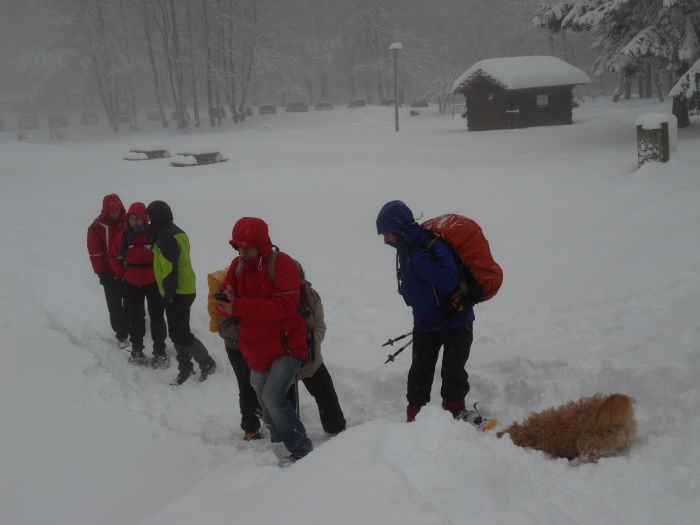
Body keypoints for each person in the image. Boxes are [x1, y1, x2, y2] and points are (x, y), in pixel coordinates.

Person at [216, 217, 313, 461]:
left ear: (262, 244)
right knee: (262, 397)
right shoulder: (237, 267)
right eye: (239, 246)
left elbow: (283, 307)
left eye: (248, 246)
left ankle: (301, 448)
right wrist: (226, 299)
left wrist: (237, 306)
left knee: (272, 396)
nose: (243, 251)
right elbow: (226, 303)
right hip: (256, 349)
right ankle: (279, 441)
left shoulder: (282, 264)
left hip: (287, 346)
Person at [217, 261, 346, 441]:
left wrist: (306, 344)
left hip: (310, 360)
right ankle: (286, 439)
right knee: (284, 406)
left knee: (326, 395)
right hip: (281, 361)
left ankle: (338, 432)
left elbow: (319, 328)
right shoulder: (270, 299)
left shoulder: (311, 296)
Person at [376, 200, 479, 424]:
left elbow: (450, 279)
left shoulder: (432, 245)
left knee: (453, 372)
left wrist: (423, 264)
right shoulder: (404, 249)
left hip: (456, 320)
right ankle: (415, 417)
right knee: (419, 373)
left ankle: (455, 411)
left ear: (400, 226)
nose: (385, 240)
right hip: (425, 322)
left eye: (387, 233)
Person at [146, 200, 216, 385]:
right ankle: (185, 367)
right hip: (183, 288)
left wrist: (168, 294)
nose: (149, 220)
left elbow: (169, 267)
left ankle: (206, 363)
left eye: (150, 217)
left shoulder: (165, 235)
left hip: (177, 291)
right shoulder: (174, 231)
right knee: (176, 332)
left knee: (181, 333)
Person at [109, 202, 169, 368]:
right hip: (131, 283)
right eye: (132, 218)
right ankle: (137, 350)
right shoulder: (123, 237)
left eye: (138, 218)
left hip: (152, 281)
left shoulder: (153, 234)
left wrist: (163, 276)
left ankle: (160, 351)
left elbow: (165, 255)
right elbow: (113, 256)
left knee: (157, 317)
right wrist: (122, 274)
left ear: (144, 219)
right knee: (135, 318)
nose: (135, 221)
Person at [87, 193, 128, 347]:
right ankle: (121, 334)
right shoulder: (96, 227)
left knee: (130, 303)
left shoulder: (127, 221)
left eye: (117, 210)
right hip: (109, 274)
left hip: (127, 271)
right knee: (115, 306)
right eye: (111, 211)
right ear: (105, 210)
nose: (114, 213)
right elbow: (95, 253)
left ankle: (133, 328)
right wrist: (101, 273)